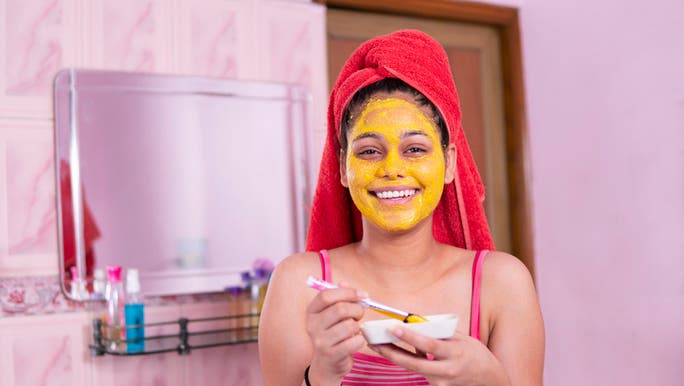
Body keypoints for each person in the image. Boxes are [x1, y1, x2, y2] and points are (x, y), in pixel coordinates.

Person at [258, 29, 544, 385]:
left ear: (450, 162)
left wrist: (488, 379)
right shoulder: (298, 284)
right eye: (369, 151)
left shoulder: (502, 283)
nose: (392, 169)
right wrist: (323, 373)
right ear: (343, 167)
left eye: (415, 149)